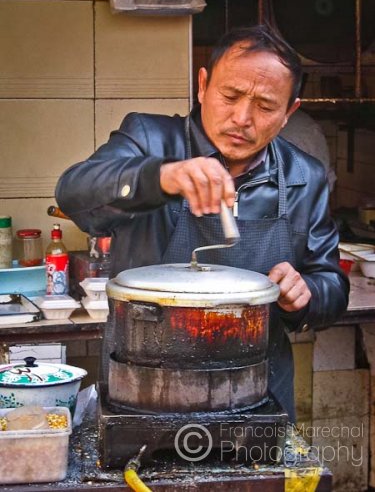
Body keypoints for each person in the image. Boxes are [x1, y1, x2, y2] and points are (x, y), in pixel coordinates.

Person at [56, 25, 349, 422]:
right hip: (145, 382)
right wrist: (160, 176)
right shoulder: (149, 138)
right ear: (203, 85)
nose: (242, 118)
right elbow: (73, 192)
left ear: (288, 113)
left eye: (265, 106)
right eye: (230, 96)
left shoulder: (304, 176)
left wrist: (307, 292)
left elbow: (331, 285)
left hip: (258, 389)